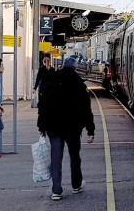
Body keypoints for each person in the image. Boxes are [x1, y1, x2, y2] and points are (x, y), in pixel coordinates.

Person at [37, 56, 95, 200]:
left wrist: (41, 126)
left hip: (54, 127)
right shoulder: (79, 84)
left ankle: (56, 190)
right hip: (73, 128)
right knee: (75, 156)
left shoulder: (52, 80)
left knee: (56, 158)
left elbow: (43, 104)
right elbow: (86, 109)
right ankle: (76, 185)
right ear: (75, 67)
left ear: (62, 66)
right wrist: (90, 130)